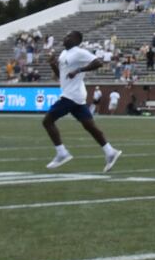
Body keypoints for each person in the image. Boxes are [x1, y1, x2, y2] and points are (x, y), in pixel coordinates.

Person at [43, 31, 122, 172]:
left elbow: (98, 62)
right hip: (75, 95)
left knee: (47, 121)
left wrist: (79, 70)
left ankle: (62, 153)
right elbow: (59, 75)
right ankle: (110, 152)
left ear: (76, 40)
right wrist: (52, 63)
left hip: (71, 95)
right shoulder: (63, 54)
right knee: (89, 126)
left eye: (68, 36)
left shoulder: (79, 52)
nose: (65, 37)